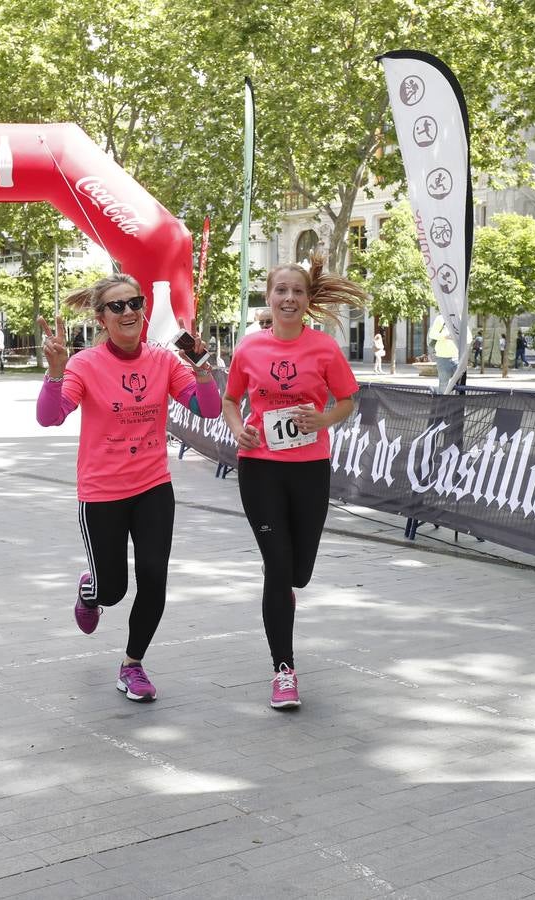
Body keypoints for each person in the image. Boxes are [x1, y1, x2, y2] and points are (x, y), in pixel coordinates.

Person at [34, 274, 220, 703]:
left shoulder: (165, 360)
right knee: (113, 591)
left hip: (153, 487)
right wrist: (56, 370)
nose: (129, 312)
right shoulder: (85, 364)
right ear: (101, 318)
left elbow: (207, 410)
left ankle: (132, 665)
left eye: (134, 302)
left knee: (154, 580)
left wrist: (204, 372)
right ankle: (91, 589)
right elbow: (50, 417)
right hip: (102, 492)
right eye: (116, 306)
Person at [221, 253, 366, 710]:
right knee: (278, 569)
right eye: (280, 291)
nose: (288, 298)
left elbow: (348, 400)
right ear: (268, 298)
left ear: (307, 300)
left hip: (309, 469)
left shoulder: (323, 348)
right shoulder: (249, 348)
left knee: (298, 573)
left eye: (296, 291)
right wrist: (236, 426)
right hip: (259, 467)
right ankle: (283, 669)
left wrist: (322, 418)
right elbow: (230, 399)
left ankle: (284, 591)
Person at [427, 315, 458, 390]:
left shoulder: (459, 318)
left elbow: (469, 337)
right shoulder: (440, 318)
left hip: (458, 358)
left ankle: (459, 401)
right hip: (443, 358)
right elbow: (432, 334)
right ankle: (443, 401)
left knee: (460, 387)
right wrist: (445, 336)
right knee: (443, 385)